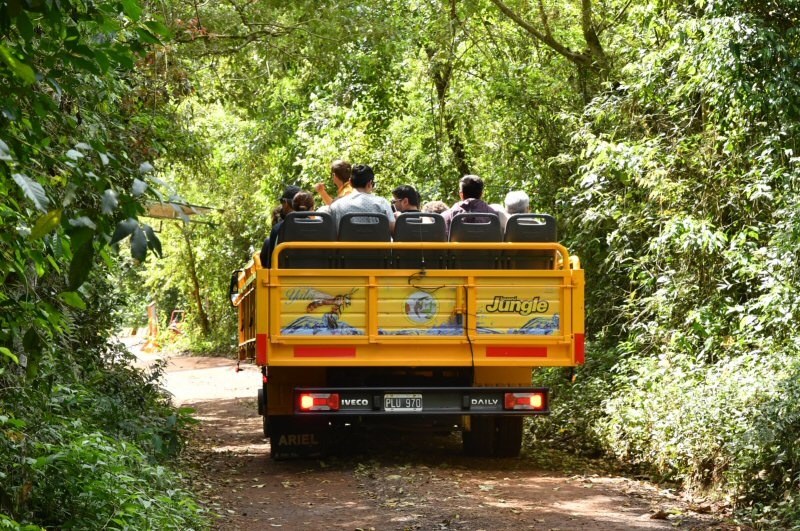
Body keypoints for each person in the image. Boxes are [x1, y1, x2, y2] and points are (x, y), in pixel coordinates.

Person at [329, 164, 394, 234]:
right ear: (370, 183)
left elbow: (332, 232)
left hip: (348, 245)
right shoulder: (382, 203)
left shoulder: (337, 205)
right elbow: (393, 230)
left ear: (350, 182)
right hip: (376, 245)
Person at [259, 185, 301, 267]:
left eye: (282, 202)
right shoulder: (320, 225)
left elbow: (270, 265)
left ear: (285, 203)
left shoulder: (279, 229)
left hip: (286, 278)